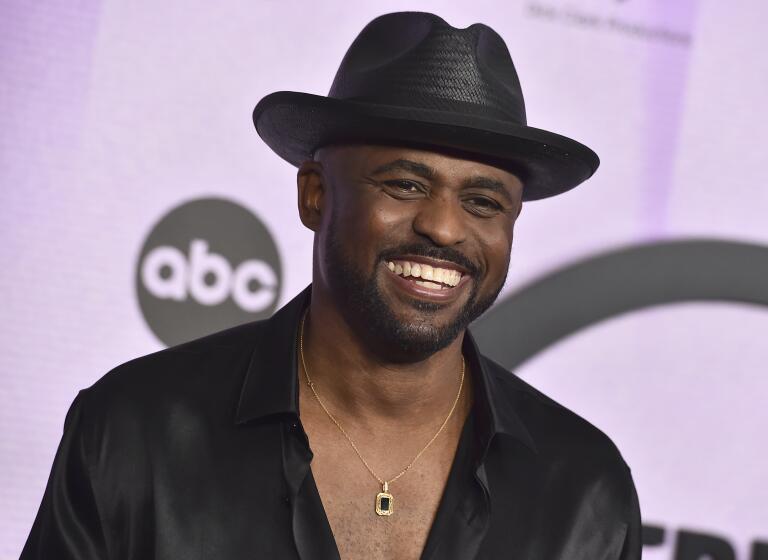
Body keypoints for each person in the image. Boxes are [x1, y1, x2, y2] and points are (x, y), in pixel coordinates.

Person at [22, 11, 641, 560]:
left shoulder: (583, 488)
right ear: (315, 193)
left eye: (483, 202)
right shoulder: (135, 430)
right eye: (405, 185)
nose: (445, 229)